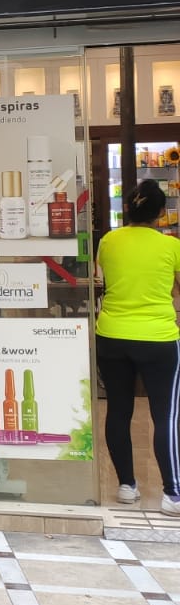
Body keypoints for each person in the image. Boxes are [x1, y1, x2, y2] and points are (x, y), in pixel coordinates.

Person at [96, 178, 180, 515]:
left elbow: (107, 280)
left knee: (118, 410)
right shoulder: (171, 246)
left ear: (127, 208)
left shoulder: (108, 241)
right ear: (161, 213)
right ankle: (172, 493)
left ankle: (126, 486)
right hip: (158, 338)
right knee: (166, 415)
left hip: (112, 335)